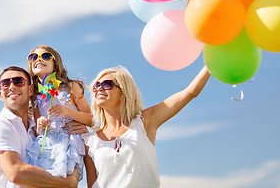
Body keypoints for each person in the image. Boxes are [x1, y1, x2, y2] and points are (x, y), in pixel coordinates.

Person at [82, 65, 211, 188]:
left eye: (107, 84)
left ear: (123, 92)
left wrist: (211, 63)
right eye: (96, 85)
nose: (99, 88)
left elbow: (190, 92)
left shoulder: (144, 122)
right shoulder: (90, 142)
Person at [0, 66, 79, 188]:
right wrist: (67, 183)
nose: (11, 87)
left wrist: (79, 129)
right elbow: (16, 173)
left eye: (18, 81)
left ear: (31, 90)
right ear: (1, 95)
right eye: (5, 83)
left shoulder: (37, 128)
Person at [26, 45, 92, 181]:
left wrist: (67, 111)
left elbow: (91, 118)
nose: (39, 59)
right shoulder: (36, 96)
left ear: (55, 65)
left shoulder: (71, 87)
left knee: (66, 180)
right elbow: (39, 132)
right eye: (33, 57)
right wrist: (40, 125)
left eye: (45, 56)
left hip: (69, 143)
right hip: (47, 147)